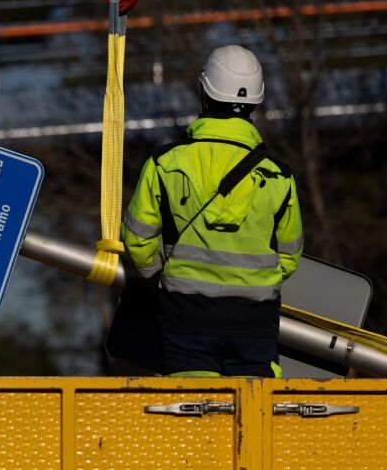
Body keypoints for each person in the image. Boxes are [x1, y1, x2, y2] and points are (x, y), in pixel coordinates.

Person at [120, 45, 303, 377]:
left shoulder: (165, 162)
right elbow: (289, 257)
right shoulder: (279, 176)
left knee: (193, 406)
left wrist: (156, 279)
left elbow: (137, 239)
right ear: (256, 103)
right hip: (255, 321)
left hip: (185, 316)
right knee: (253, 406)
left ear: (204, 94)